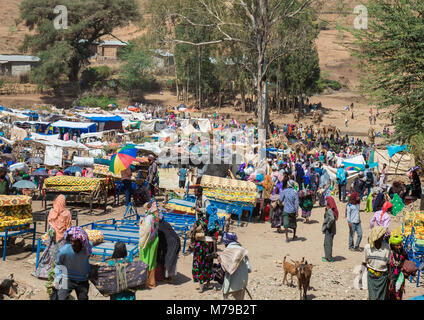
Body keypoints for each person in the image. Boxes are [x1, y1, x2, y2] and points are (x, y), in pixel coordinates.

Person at [34, 194, 72, 279]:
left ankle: (44, 273)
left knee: (49, 255)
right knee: (61, 257)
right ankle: (60, 275)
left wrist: (54, 229)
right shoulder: (67, 213)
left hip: (53, 238)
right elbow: (69, 226)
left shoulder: (52, 211)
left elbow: (50, 223)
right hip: (63, 239)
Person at [54, 226, 92, 300]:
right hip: (67, 278)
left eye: (76, 242)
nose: (73, 244)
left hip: (82, 279)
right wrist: (58, 279)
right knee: (61, 298)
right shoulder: (64, 251)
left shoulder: (86, 249)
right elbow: (59, 264)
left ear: (81, 242)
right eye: (71, 241)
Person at [219, 233, 251, 300]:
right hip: (242, 283)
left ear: (227, 242)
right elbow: (248, 268)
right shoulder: (242, 250)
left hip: (231, 285)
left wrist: (220, 261)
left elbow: (225, 269)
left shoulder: (226, 252)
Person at [362, 226, 391, 300]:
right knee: (373, 297)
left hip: (383, 277)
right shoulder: (367, 248)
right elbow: (364, 263)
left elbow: (388, 264)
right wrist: (362, 277)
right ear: (376, 237)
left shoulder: (387, 248)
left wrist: (390, 279)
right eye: (381, 236)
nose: (383, 238)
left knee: (381, 297)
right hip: (371, 276)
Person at [139, 200, 160, 289]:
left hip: (147, 242)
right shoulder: (155, 217)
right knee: (152, 260)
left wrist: (140, 225)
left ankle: (146, 282)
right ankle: (152, 282)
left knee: (145, 260)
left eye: (146, 208)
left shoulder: (148, 218)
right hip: (154, 239)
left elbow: (146, 231)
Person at [156, 212, 181, 283]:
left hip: (172, 243)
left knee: (167, 259)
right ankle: (167, 276)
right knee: (170, 259)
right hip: (175, 241)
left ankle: (167, 277)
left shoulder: (159, 226)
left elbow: (160, 241)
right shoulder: (164, 223)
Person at [322, 196, 338, 262]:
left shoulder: (329, 211)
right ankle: (327, 256)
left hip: (329, 230)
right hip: (331, 230)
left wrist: (327, 226)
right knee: (327, 243)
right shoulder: (331, 210)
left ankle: (329, 258)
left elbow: (332, 219)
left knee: (327, 244)